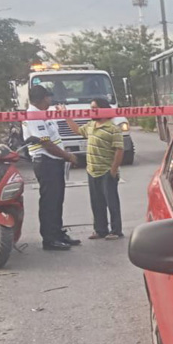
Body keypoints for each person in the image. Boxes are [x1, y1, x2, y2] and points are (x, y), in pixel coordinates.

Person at [23, 85, 80, 252]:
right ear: (42, 99)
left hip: (54, 162)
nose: (50, 100)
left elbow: (53, 139)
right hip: (46, 162)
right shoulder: (33, 115)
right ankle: (50, 238)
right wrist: (68, 156)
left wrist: (63, 154)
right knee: (49, 201)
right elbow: (46, 144)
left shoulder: (44, 114)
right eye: (48, 97)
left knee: (57, 200)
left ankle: (57, 233)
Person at [65, 97, 124, 240]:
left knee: (112, 203)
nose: (91, 111)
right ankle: (100, 229)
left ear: (103, 110)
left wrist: (113, 170)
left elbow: (119, 150)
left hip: (106, 171)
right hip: (92, 171)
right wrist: (66, 116)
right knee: (97, 203)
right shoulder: (91, 125)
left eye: (94, 108)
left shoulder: (113, 128)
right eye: (91, 108)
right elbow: (77, 130)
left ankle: (116, 231)